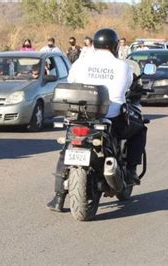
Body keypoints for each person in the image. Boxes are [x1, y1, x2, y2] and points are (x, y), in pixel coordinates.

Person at [46, 28, 147, 212]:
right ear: (115, 45)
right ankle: (131, 171)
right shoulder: (123, 66)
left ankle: (59, 198)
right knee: (140, 129)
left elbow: (71, 81)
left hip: (79, 117)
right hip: (111, 118)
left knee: (66, 149)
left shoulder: (80, 62)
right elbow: (127, 88)